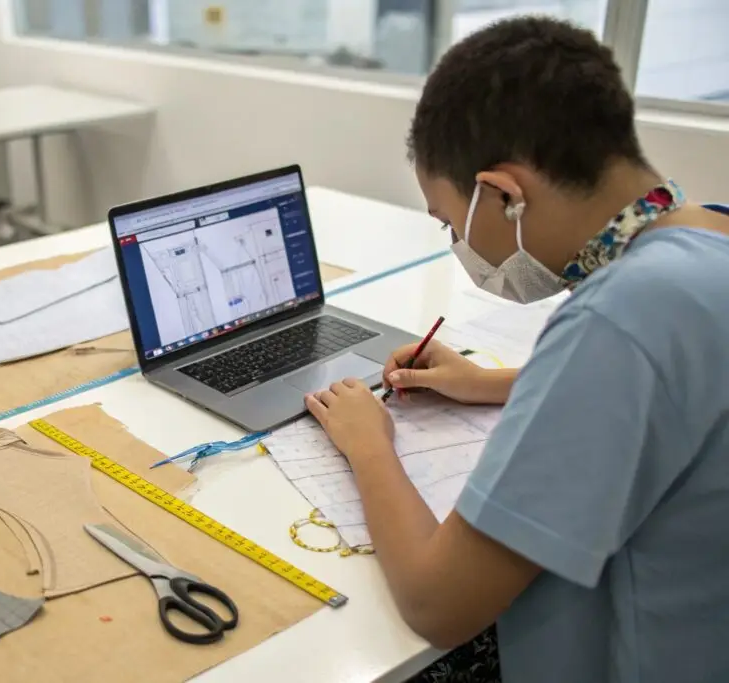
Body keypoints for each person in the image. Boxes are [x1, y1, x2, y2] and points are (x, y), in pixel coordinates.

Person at [304, 16, 729, 683]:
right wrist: (489, 382)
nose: (457, 245)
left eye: (451, 223)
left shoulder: (620, 320)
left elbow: (434, 601)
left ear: (504, 195)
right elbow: (691, 384)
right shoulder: (708, 238)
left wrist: (368, 444)